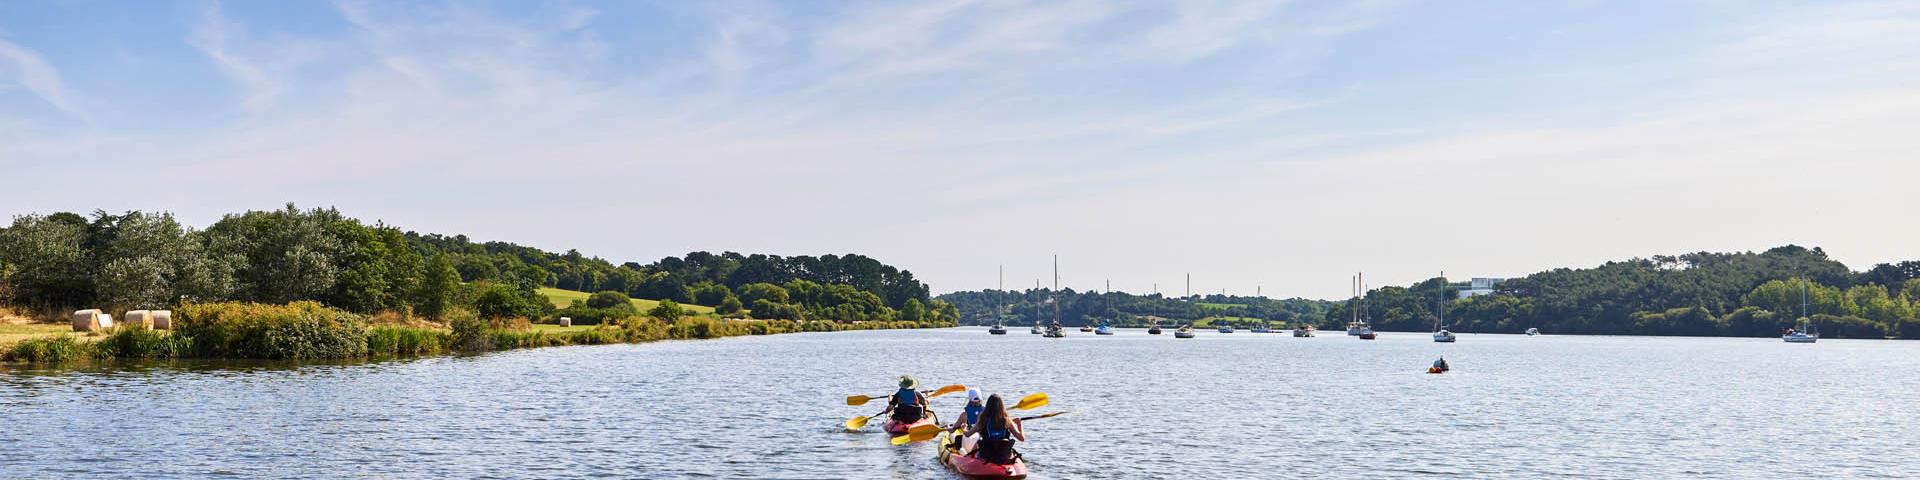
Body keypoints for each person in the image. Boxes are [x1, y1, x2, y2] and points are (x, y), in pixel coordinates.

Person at [963, 394, 1026, 464]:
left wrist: (964, 428)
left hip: (986, 455)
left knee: (976, 446)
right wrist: (1019, 424)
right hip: (1004, 455)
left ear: (988, 406)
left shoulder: (983, 421)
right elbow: (1021, 438)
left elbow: (967, 434)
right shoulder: (1007, 421)